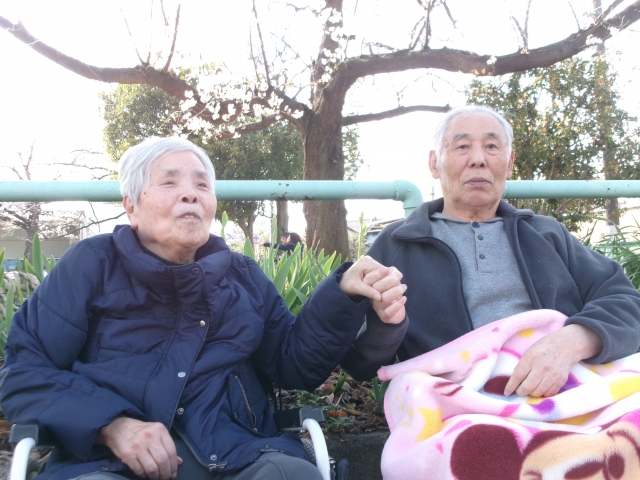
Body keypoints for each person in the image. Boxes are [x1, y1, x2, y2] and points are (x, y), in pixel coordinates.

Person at [0, 137, 407, 480]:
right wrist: (113, 426)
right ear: (132, 206)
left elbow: (293, 366)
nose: (191, 193)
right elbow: (24, 374)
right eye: (169, 182)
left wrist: (343, 294)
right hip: (107, 463)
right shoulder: (91, 264)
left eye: (201, 184)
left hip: (239, 455)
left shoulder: (242, 275)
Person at [341, 105, 640, 399]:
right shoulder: (398, 244)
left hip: (568, 391)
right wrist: (386, 324)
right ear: (434, 163)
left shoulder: (545, 234)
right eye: (462, 146)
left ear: (509, 163)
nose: (478, 160)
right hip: (458, 403)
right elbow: (359, 363)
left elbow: (626, 301)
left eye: (492, 146)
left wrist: (572, 341)